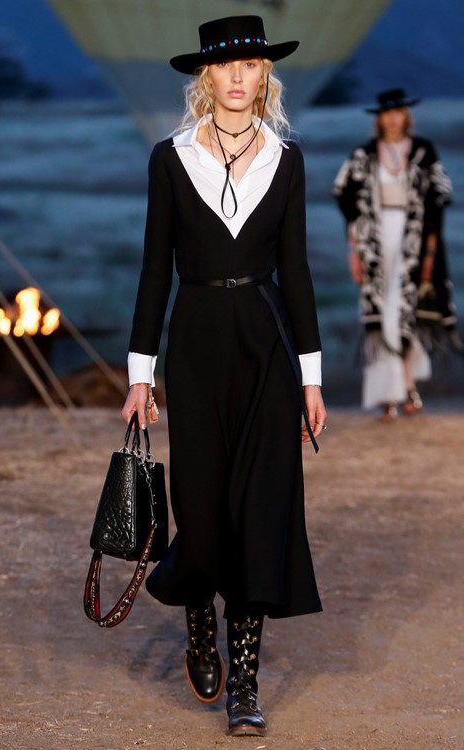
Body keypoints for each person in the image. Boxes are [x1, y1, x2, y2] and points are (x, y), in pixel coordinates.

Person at [121, 15, 326, 737]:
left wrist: (311, 377)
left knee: (260, 511)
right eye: (226, 65)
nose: (239, 76)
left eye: (252, 64)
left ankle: (245, 680)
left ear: (266, 75)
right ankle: (198, 622)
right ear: (205, 76)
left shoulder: (288, 160)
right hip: (198, 348)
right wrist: (140, 373)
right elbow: (154, 270)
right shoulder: (170, 158)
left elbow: (296, 272)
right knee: (203, 510)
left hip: (267, 348)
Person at [333, 88, 455, 421]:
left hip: (413, 239)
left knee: (405, 312)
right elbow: (344, 196)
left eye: (398, 111)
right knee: (381, 316)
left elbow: (440, 197)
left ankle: (406, 387)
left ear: (406, 115)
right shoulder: (364, 155)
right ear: (379, 118)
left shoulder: (423, 152)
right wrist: (354, 248)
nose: (392, 118)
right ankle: (390, 394)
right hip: (375, 241)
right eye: (387, 112)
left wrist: (430, 252)